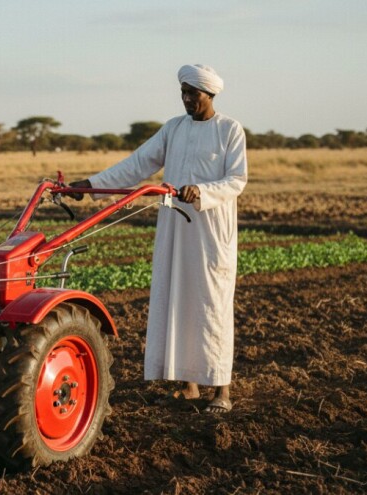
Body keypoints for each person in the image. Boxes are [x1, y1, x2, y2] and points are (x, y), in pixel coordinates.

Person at [68, 64, 247, 413]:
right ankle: (189, 385)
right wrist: (89, 186)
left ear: (209, 94)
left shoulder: (230, 130)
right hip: (175, 226)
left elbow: (237, 180)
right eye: (182, 92)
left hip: (211, 231)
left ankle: (221, 391)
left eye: (192, 93)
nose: (186, 99)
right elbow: (137, 164)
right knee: (178, 300)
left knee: (211, 304)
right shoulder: (173, 129)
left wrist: (204, 191)